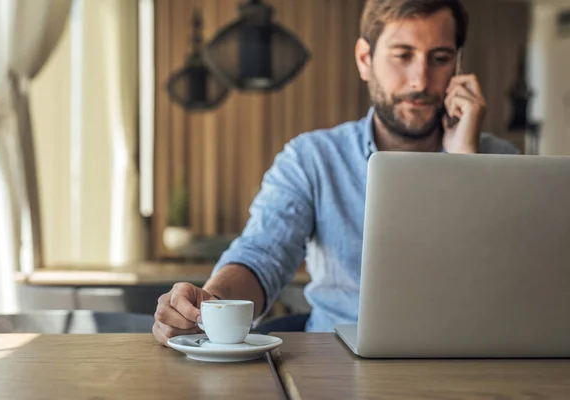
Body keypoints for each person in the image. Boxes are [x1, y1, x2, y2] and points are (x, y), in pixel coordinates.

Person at [153, 0, 519, 345]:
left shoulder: (501, 160)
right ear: (365, 59)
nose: (420, 81)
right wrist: (209, 302)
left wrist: (468, 168)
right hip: (334, 369)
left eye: (439, 58)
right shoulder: (311, 159)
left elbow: (513, 286)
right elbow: (261, 254)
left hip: (468, 365)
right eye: (402, 56)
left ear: (457, 64)